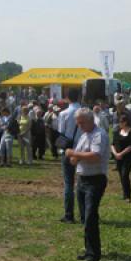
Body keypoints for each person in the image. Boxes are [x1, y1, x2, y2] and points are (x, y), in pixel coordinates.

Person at [65, 108, 109, 261]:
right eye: (78, 123)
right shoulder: (84, 136)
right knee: (85, 216)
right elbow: (76, 158)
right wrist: (74, 158)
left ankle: (93, 256)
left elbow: (96, 156)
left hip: (95, 180)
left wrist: (74, 153)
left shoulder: (99, 135)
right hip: (82, 179)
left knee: (90, 216)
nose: (79, 126)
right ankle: (89, 249)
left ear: (90, 120)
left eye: (82, 122)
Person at [57, 89, 81, 223]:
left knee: (68, 183)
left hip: (68, 150)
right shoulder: (85, 111)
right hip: (83, 150)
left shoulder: (64, 113)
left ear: (67, 98)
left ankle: (69, 214)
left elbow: (61, 133)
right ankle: (84, 213)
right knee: (83, 183)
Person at [111, 114, 131, 202]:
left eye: (121, 122)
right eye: (119, 122)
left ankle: (128, 196)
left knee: (124, 175)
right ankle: (125, 194)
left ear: (125, 122)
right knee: (121, 176)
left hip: (128, 157)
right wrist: (115, 154)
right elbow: (112, 144)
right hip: (118, 157)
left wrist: (121, 154)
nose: (119, 123)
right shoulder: (117, 131)